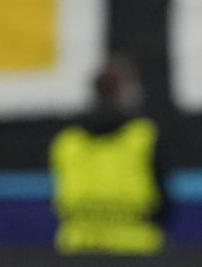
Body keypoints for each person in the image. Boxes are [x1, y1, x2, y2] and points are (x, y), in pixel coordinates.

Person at [50, 57, 167, 255]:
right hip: (137, 249)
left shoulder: (67, 141)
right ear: (124, 91)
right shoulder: (143, 137)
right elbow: (163, 200)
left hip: (78, 246)